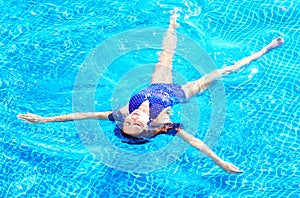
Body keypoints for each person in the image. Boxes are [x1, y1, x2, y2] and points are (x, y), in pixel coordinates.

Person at [18, 11, 284, 174]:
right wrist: (220, 162)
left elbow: (82, 114)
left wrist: (44, 119)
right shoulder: (160, 126)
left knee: (165, 57)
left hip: (153, 87)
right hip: (175, 94)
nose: (135, 117)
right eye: (138, 122)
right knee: (217, 74)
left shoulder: (120, 115)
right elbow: (195, 142)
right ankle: (263, 50)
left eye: (131, 120)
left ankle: (172, 24)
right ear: (146, 128)